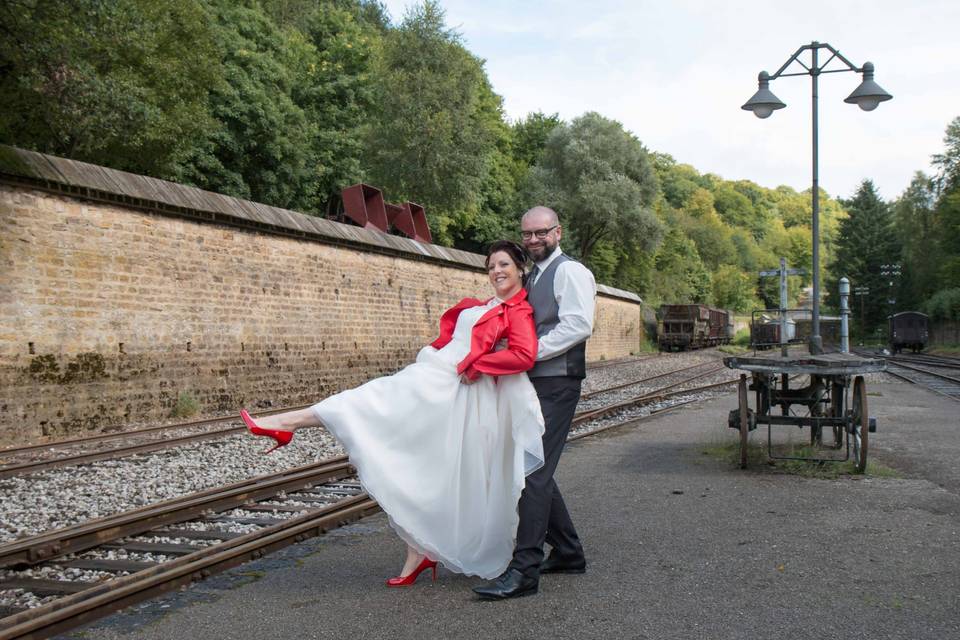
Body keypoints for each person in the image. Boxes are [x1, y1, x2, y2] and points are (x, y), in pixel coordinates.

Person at [240, 240, 545, 586]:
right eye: (490, 266)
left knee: (370, 404)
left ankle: (285, 423)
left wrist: (476, 366)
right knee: (413, 457)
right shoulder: (488, 305)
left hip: (452, 385)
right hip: (436, 377)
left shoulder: (518, 311)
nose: (496, 272)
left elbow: (524, 355)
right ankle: (418, 552)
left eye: (503, 265)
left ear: (520, 268)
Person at [473, 206, 596, 600]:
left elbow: (578, 325)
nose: (533, 240)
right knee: (534, 463)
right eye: (527, 234)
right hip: (534, 381)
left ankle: (524, 571)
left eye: (541, 233)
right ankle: (569, 552)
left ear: (557, 232)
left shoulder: (570, 272)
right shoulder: (534, 276)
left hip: (558, 382)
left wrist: (528, 352)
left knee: (531, 474)